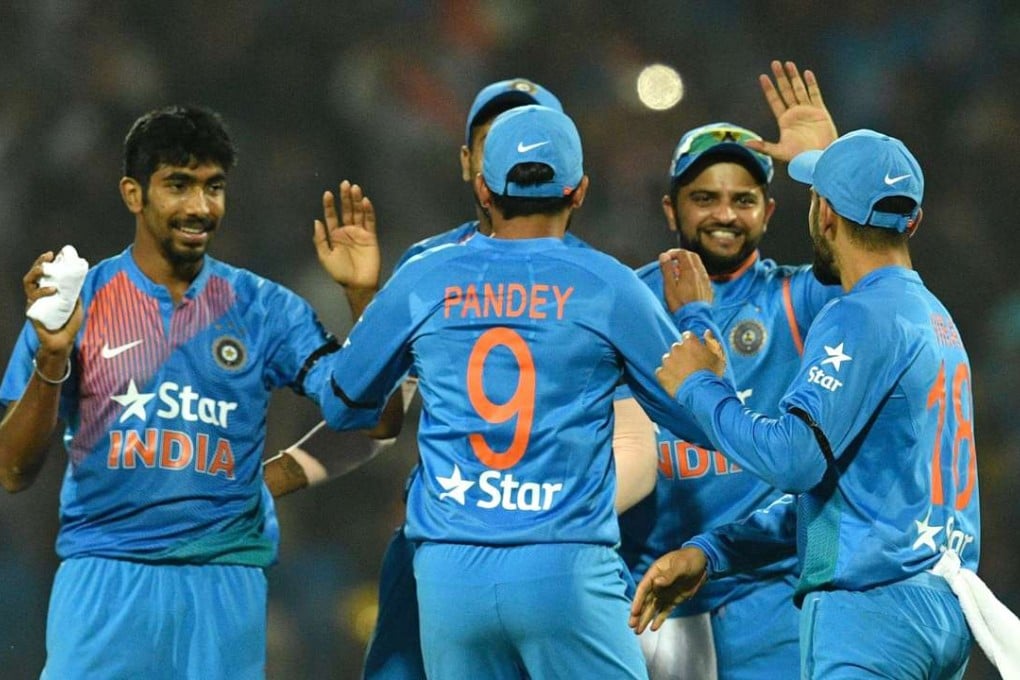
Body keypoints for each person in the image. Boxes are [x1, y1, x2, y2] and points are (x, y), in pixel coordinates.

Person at [303, 104, 725, 680]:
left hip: (451, 577)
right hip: (564, 566)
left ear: (483, 188)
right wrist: (699, 315)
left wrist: (363, 300)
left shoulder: (425, 276)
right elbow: (704, 421)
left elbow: (342, 403)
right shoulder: (609, 286)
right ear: (579, 192)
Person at [0, 106, 391, 679]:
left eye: (213, 187)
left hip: (224, 582)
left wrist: (364, 300)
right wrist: (54, 357)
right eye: (178, 186)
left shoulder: (264, 308)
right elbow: (12, 472)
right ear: (134, 194)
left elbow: (375, 422)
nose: (199, 207)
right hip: (107, 577)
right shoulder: (77, 302)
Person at [632, 129, 979, 679]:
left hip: (870, 612)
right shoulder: (930, 315)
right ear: (910, 221)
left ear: (824, 215)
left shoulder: (855, 315)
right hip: (937, 602)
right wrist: (715, 551)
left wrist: (700, 385)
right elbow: (842, 499)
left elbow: (794, 460)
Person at [618, 61, 841, 680]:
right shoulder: (626, 304)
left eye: (743, 200)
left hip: (765, 591)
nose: (724, 214)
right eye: (704, 198)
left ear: (769, 212)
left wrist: (826, 167)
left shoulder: (801, 299)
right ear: (671, 208)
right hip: (648, 592)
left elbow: (876, 265)